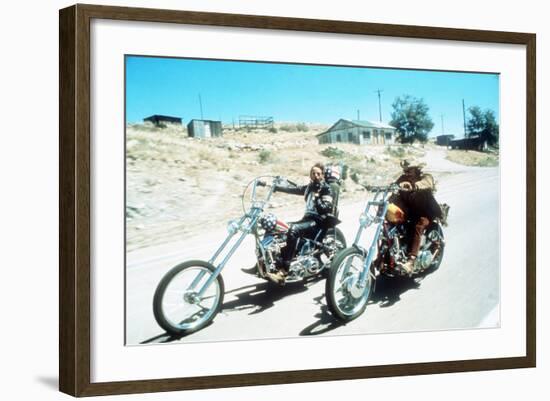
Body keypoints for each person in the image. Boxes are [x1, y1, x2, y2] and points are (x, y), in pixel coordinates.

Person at [267, 163, 336, 283]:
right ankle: (268, 263)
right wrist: (275, 187)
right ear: (310, 175)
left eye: (318, 173)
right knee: (278, 228)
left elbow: (326, 209)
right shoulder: (309, 187)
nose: (315, 176)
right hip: (307, 219)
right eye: (313, 173)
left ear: (322, 175)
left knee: (293, 230)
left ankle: (284, 271)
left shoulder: (326, 189)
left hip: (318, 221)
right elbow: (292, 189)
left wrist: (317, 197)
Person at [390, 160, 443, 275]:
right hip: (411, 212)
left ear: (417, 170)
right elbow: (394, 187)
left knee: (419, 225)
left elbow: (426, 183)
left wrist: (413, 186)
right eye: (405, 170)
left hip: (426, 212)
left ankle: (411, 261)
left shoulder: (425, 177)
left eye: (409, 170)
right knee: (393, 225)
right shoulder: (403, 178)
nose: (407, 172)